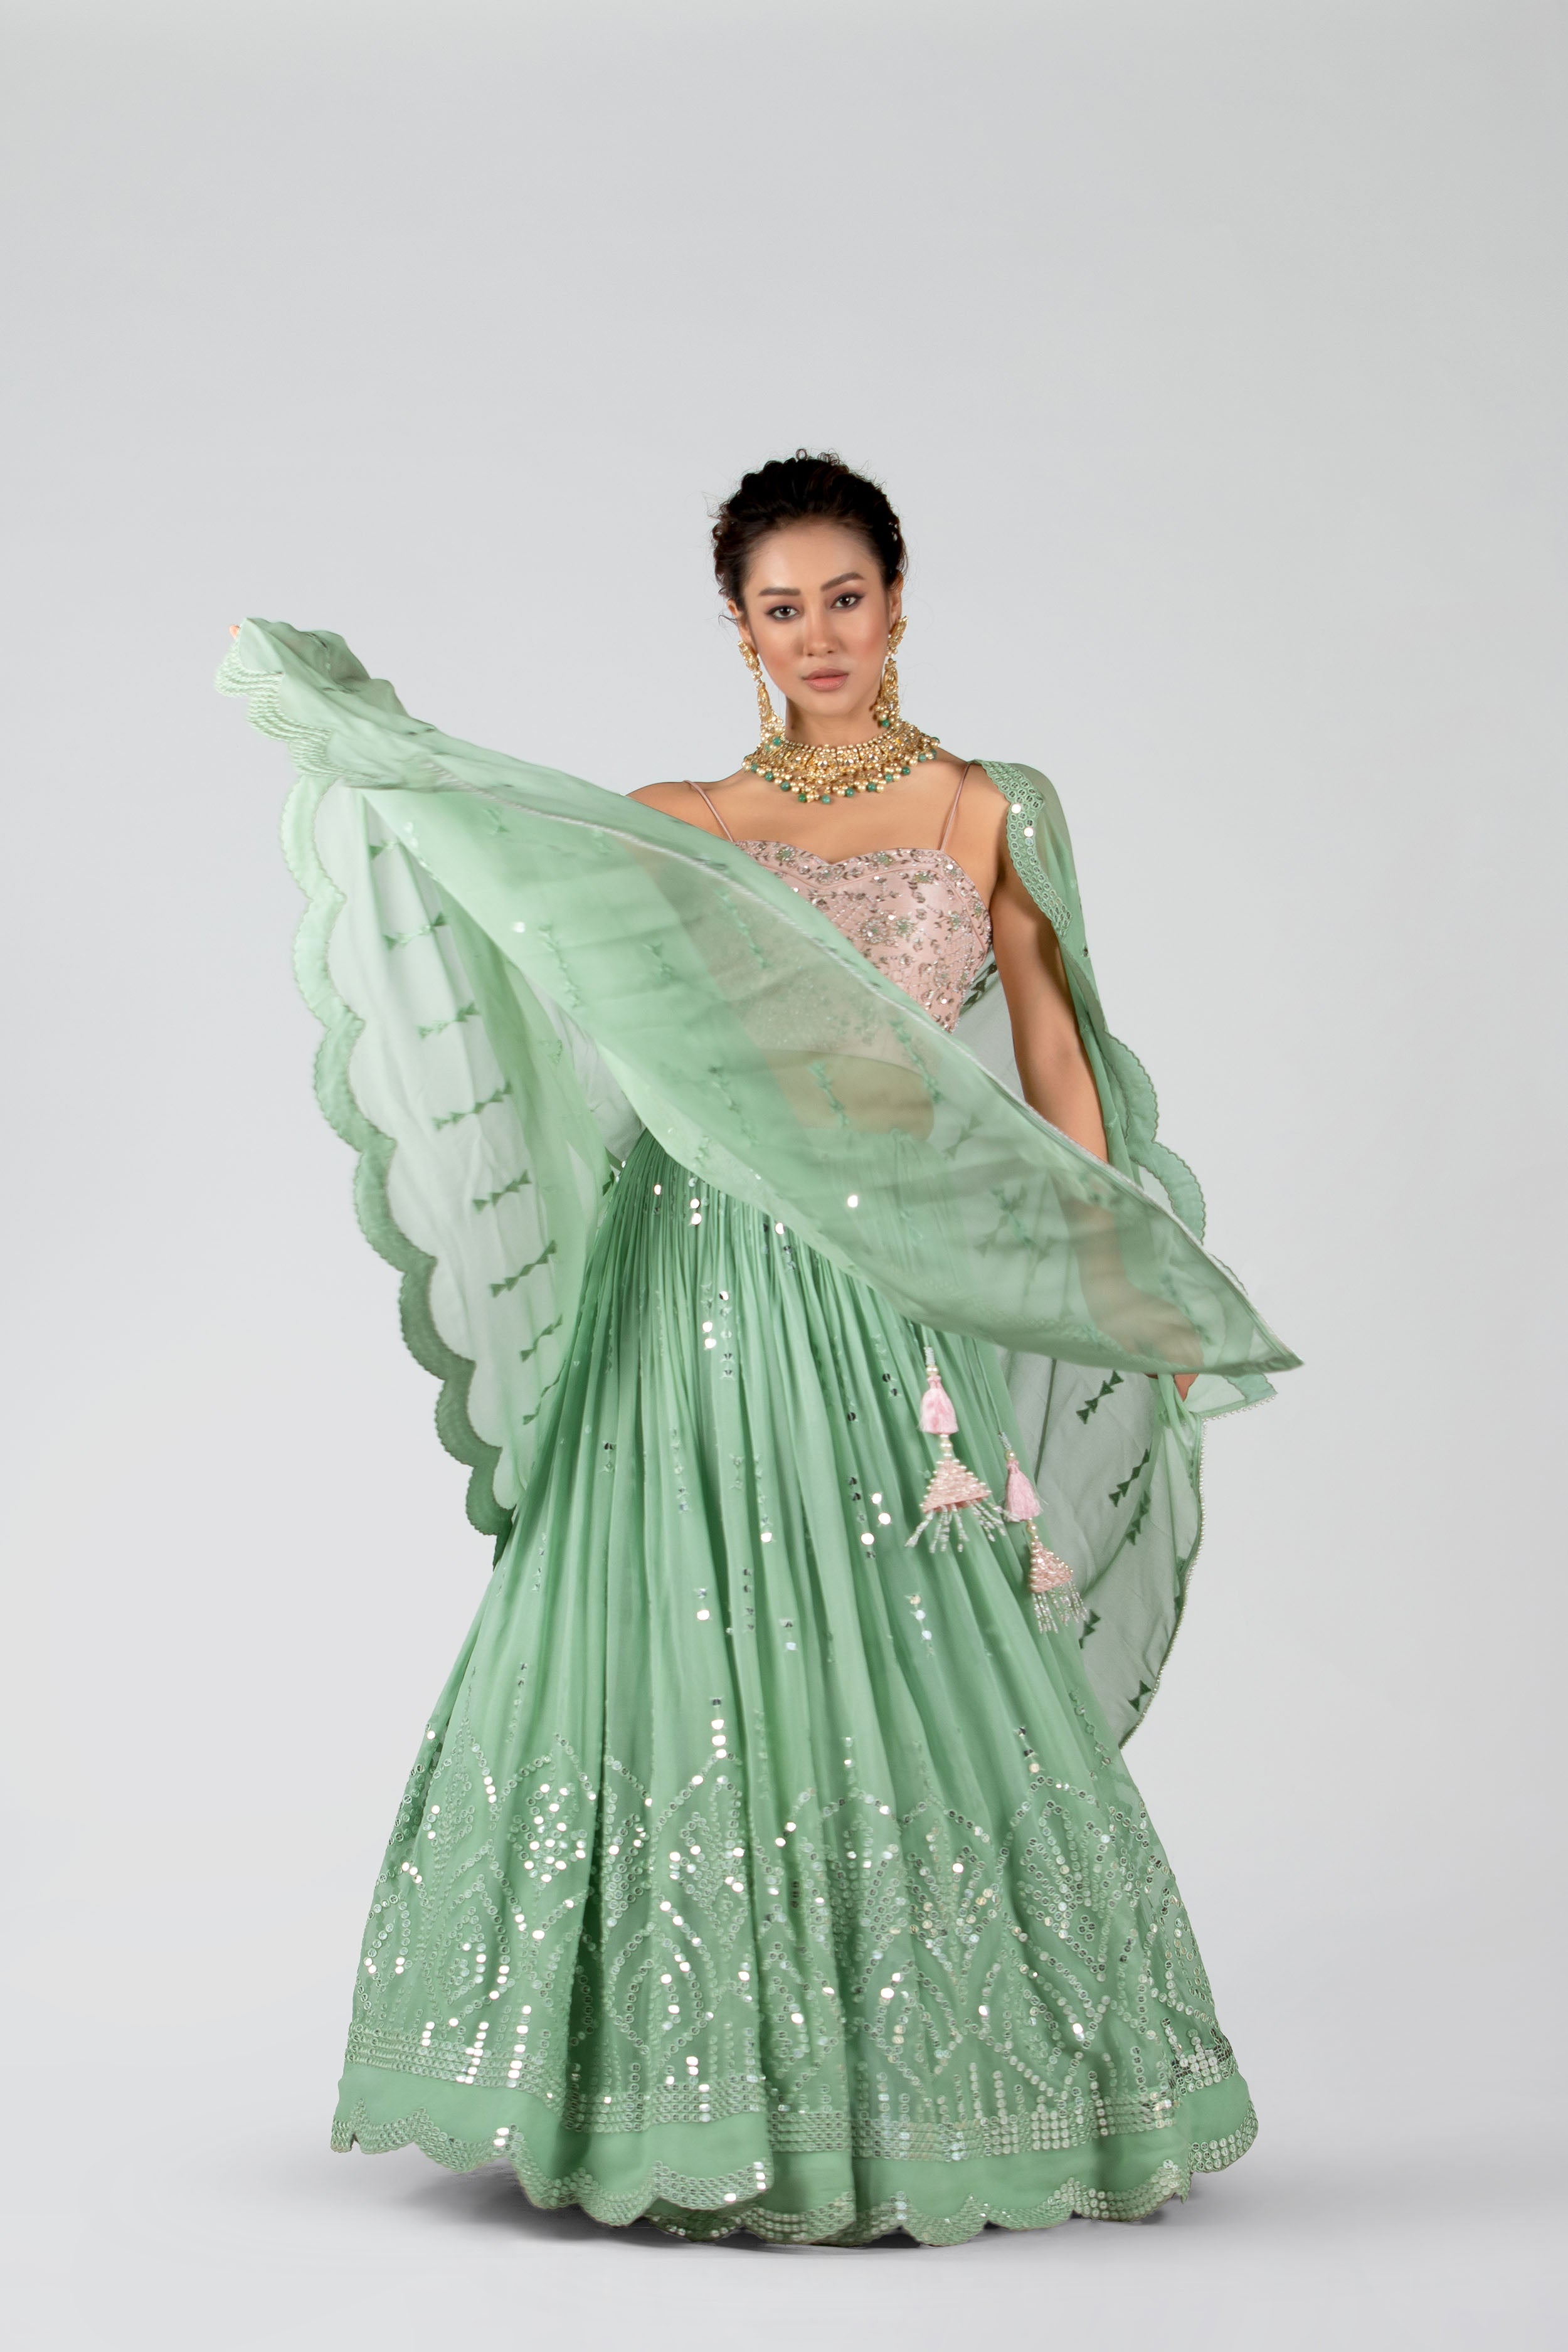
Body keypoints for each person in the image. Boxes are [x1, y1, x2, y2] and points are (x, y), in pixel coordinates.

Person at [221, 450, 1296, 2245]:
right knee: (677, 1601)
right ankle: (654, 2080)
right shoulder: (683, 821)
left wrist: (1109, 1271)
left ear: (897, 601)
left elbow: (1053, 1065)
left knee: (900, 1618)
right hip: (690, 1267)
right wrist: (373, 748)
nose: (818, 635)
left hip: (880, 1272)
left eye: (844, 598)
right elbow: (529, 911)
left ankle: (918, 2087)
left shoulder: (988, 809)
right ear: (740, 629)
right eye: (780, 608)